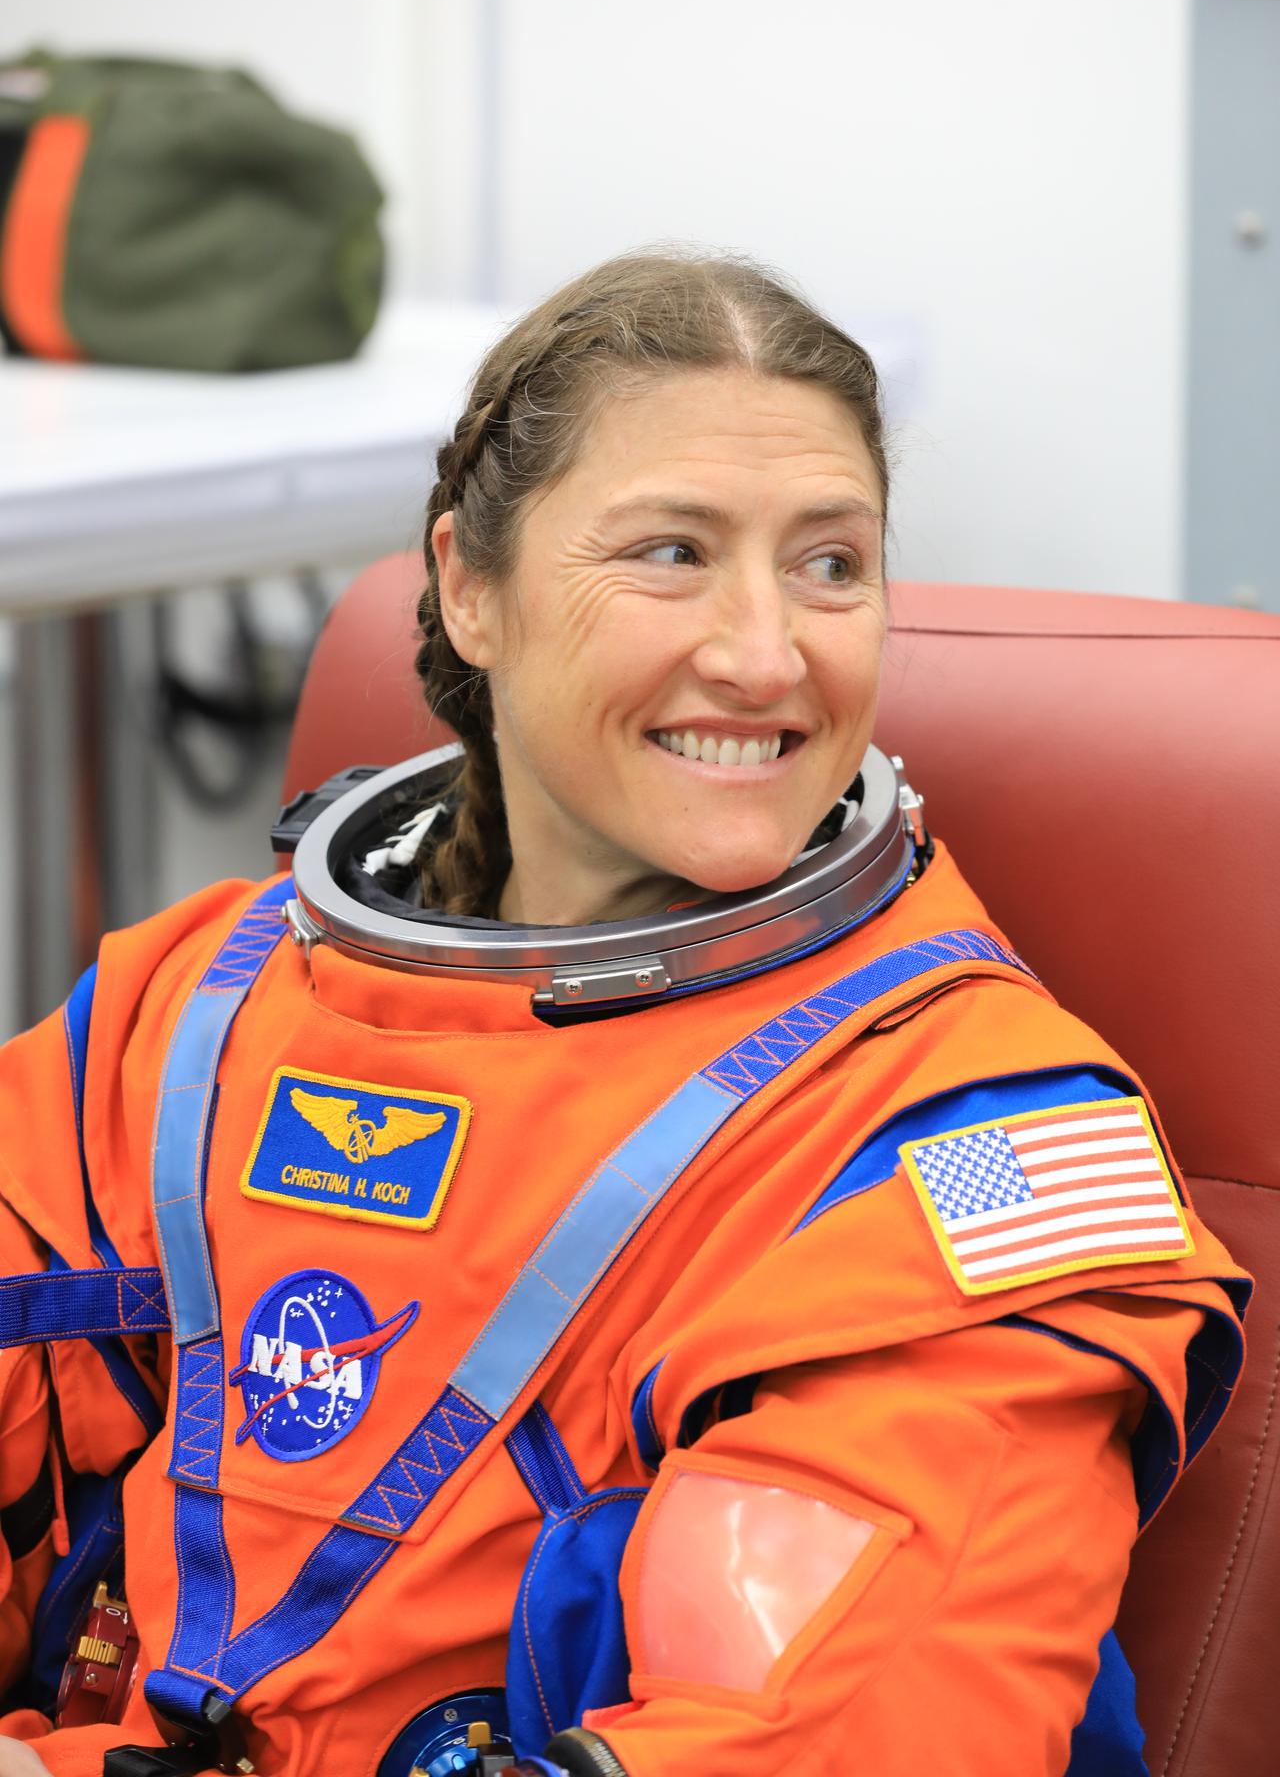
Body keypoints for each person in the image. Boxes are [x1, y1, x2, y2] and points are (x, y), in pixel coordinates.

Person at [0, 252, 1249, 1777]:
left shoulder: (973, 1149)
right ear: (471, 587)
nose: (765, 651)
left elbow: (843, 1737)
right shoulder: (183, 1013)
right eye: (671, 552)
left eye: (831, 564)